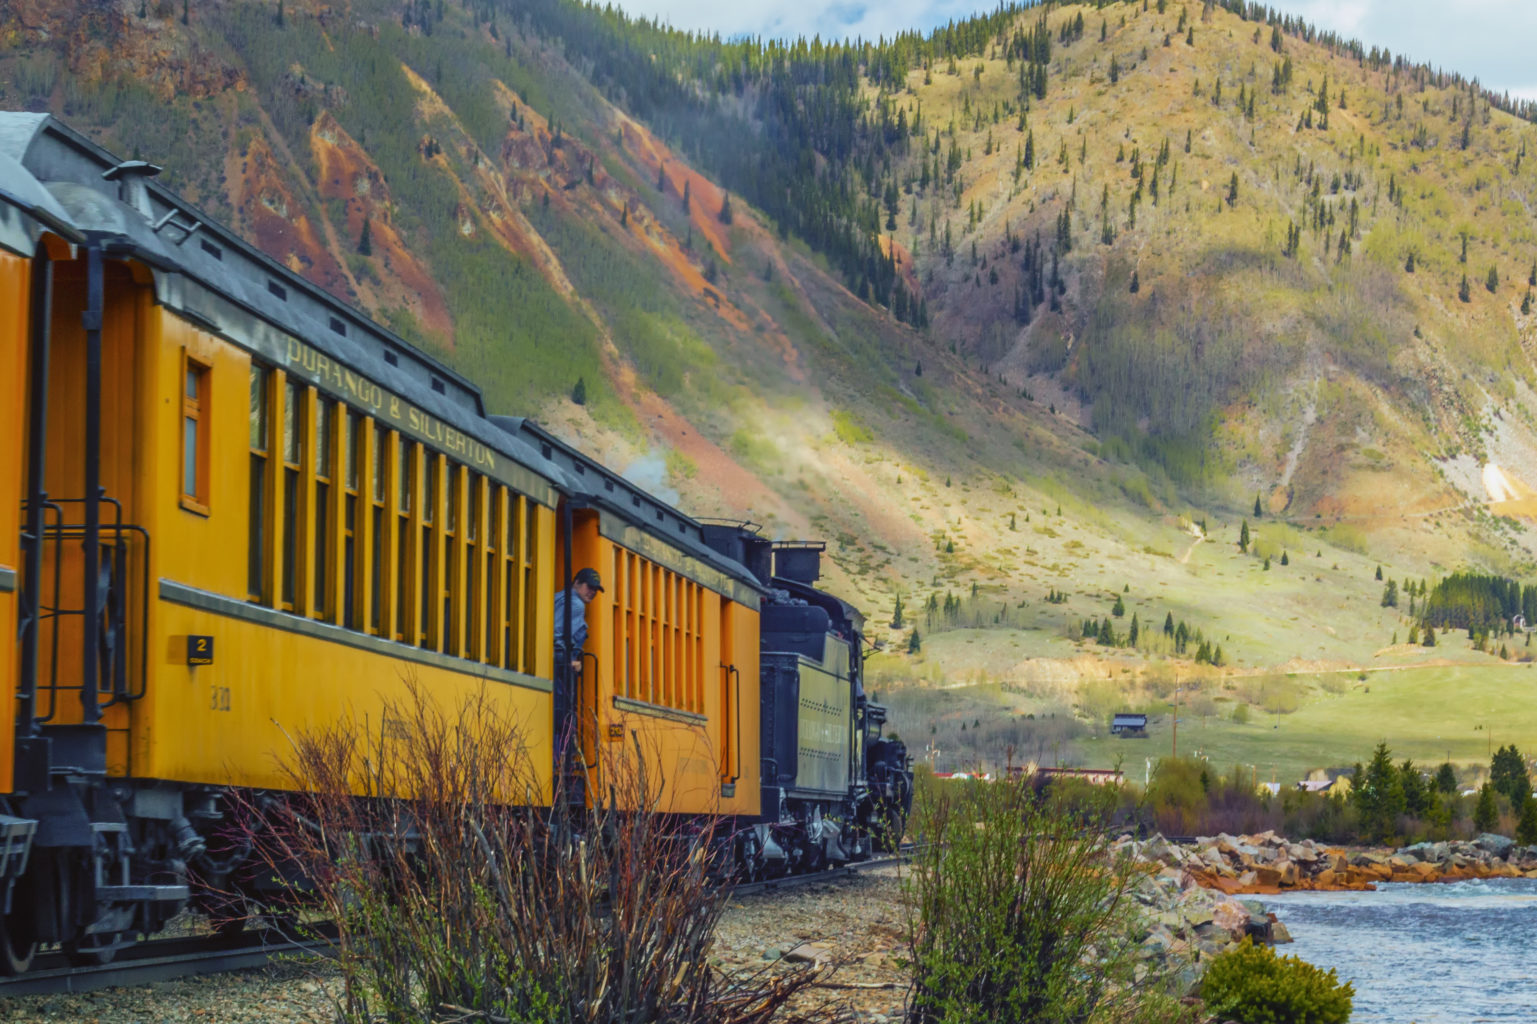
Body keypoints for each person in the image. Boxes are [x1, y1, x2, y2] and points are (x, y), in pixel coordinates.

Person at [554, 567, 603, 671]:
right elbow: (557, 636)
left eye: (596, 589)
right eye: (590, 587)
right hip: (557, 667)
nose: (593, 592)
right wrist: (569, 661)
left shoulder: (558, 597)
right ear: (576, 583)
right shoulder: (577, 604)